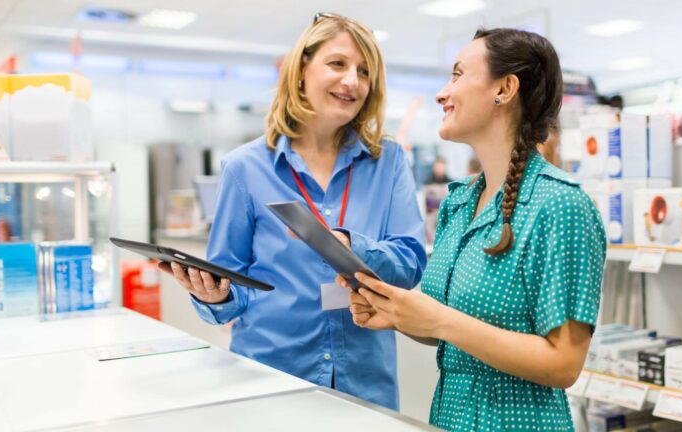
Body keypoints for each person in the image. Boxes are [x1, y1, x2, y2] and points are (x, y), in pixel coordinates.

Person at [341, 28, 606, 430]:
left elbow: (564, 363)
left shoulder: (561, 206)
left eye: (458, 75)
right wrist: (395, 312)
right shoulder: (459, 201)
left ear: (505, 88)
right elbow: (443, 329)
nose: (442, 93)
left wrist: (439, 321)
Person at [158, 13, 426, 411]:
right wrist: (214, 297)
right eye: (337, 64)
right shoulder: (245, 168)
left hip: (365, 382)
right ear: (301, 69)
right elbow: (231, 285)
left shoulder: (387, 162)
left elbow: (409, 261)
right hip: (270, 379)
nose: (352, 81)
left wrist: (352, 247)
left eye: (364, 72)